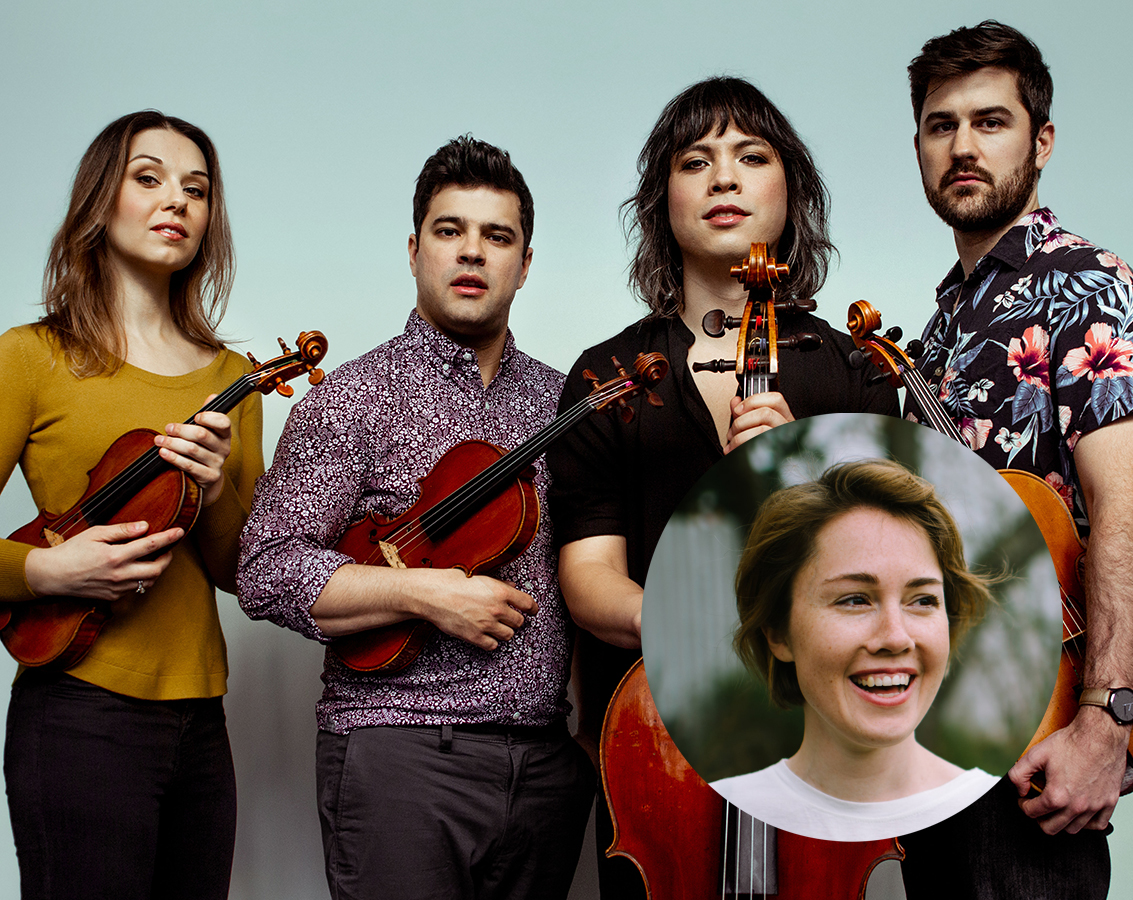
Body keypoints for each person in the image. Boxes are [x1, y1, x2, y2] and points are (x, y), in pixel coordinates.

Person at [546, 76, 899, 897]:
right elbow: (589, 579)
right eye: (694, 161)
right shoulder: (608, 377)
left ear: (791, 191)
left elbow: (900, 570)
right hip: (656, 747)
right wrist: (702, 632)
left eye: (751, 156)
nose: (724, 179)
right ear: (660, 201)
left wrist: (807, 478)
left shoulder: (853, 369)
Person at [237, 136, 594, 900]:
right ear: (413, 249)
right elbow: (266, 568)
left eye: (497, 237)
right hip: (398, 751)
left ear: (524, 263)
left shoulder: (564, 402)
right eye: (449, 230)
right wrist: (423, 593)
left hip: (544, 763)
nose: (472, 252)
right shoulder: (352, 397)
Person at [1, 111, 262, 900]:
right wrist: (46, 571)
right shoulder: (31, 357)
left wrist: (213, 492)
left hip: (203, 722)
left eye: (196, 189)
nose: (175, 201)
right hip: (77, 708)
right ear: (99, 201)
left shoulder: (235, 377)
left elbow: (235, 570)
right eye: (147, 178)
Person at [898, 20, 1131, 896]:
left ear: (1040, 142)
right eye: (939, 124)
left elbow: (1126, 508)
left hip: (1039, 748)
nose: (962, 146)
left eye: (989, 123)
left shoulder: (1087, 282)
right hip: (934, 741)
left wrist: (1107, 726)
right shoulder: (932, 335)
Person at [710, 459, 998, 840]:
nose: (896, 638)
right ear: (778, 634)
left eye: (923, 600)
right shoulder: (713, 811)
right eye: (855, 600)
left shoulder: (1007, 810)